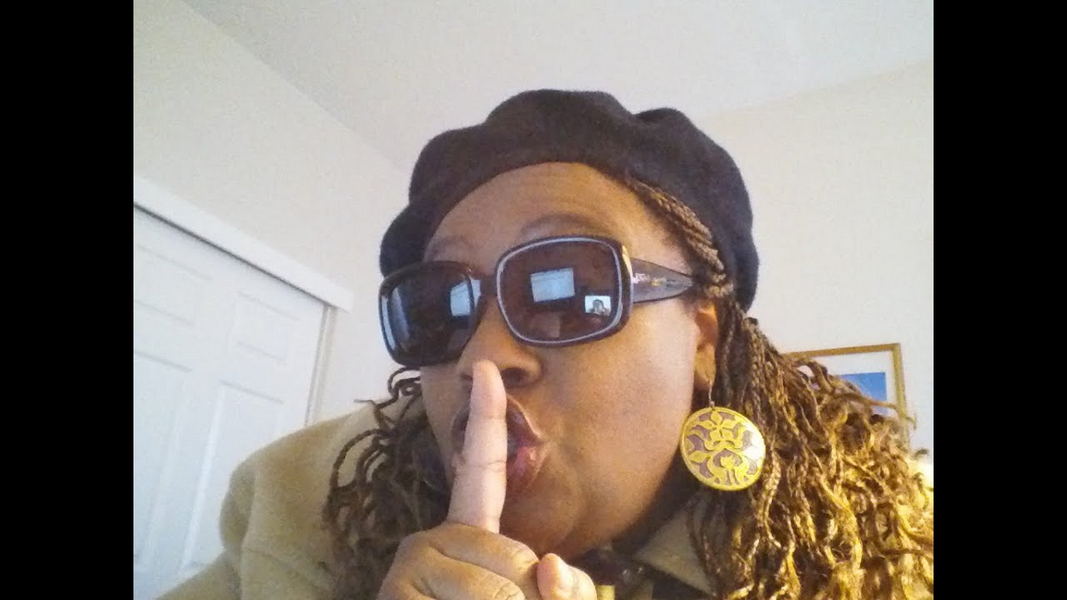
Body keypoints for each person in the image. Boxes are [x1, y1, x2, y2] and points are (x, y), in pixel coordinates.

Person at [161, 90, 933, 600]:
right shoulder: (298, 506)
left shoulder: (891, 543)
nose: (481, 360)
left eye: (564, 291)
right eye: (440, 307)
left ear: (703, 337)